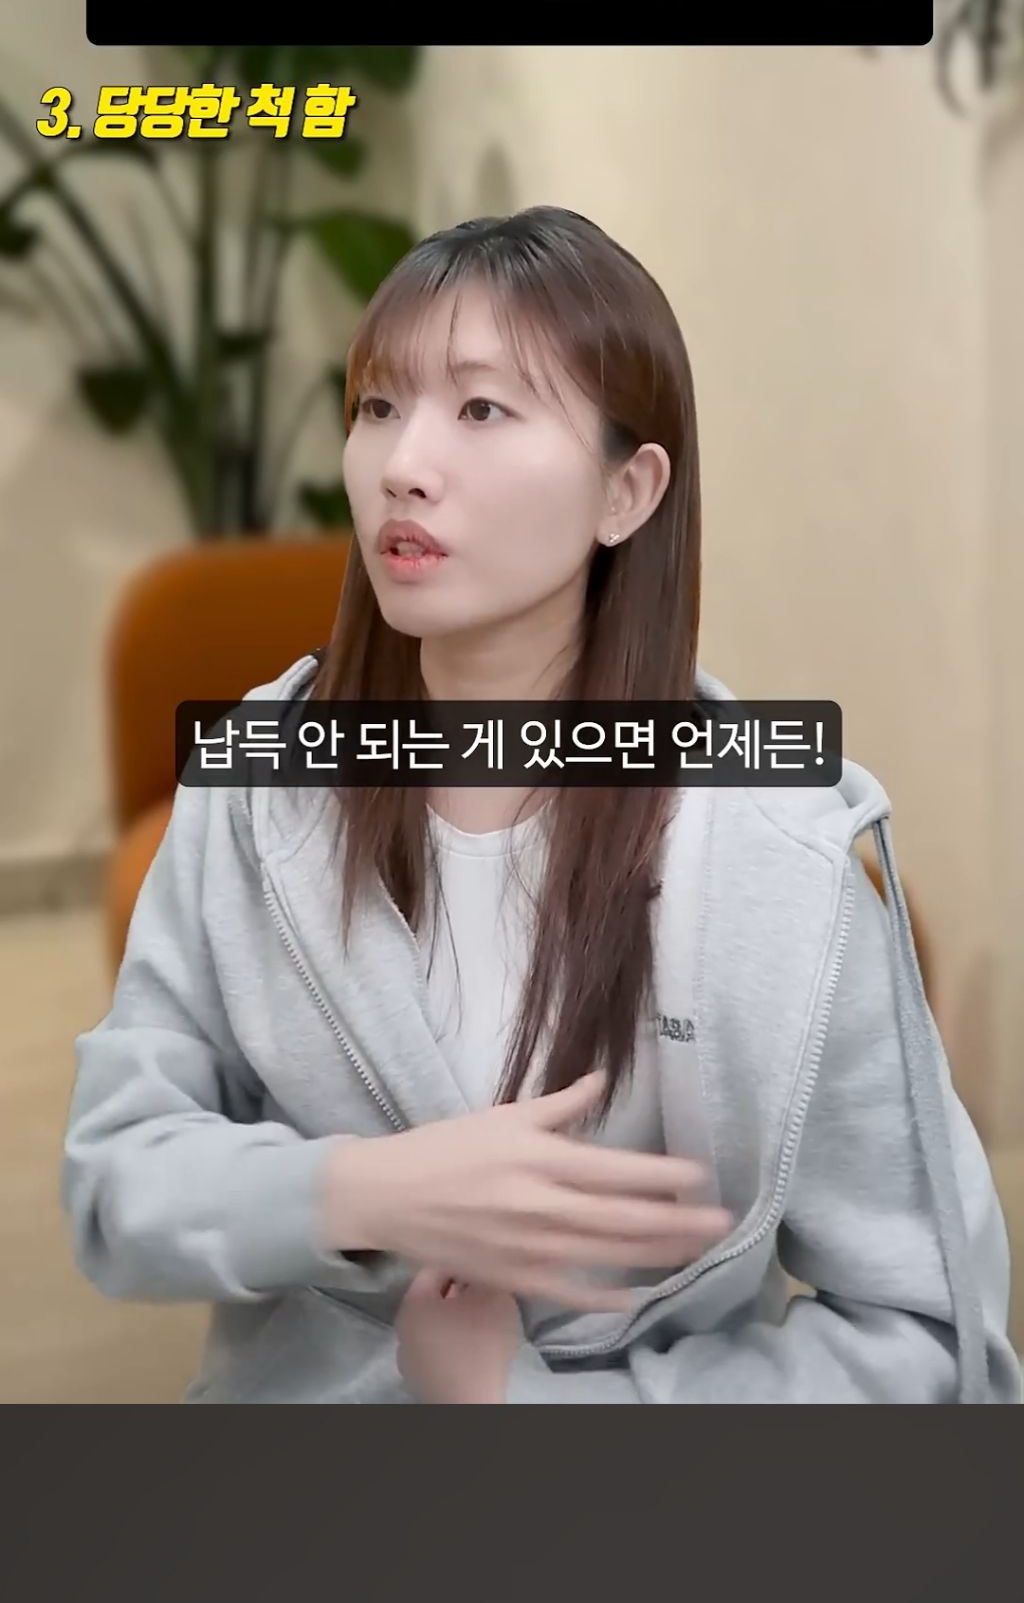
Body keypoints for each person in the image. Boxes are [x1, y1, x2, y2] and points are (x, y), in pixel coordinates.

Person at [63, 206, 1020, 1404]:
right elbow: (115, 1179)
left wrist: (531, 1407)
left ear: (627, 490)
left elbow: (931, 1342)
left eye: (480, 408)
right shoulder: (261, 782)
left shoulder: (777, 855)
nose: (403, 463)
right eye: (377, 405)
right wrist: (361, 1190)